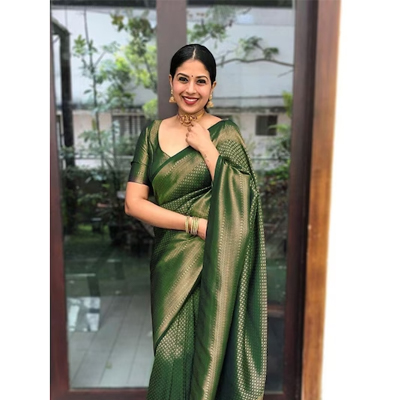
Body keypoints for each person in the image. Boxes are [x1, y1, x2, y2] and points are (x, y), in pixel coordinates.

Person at [125, 43, 267, 400]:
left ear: (212, 87)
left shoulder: (225, 134)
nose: (191, 89)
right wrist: (193, 224)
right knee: (169, 356)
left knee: (208, 353)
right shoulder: (152, 134)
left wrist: (207, 149)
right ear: (170, 82)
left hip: (215, 263)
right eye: (183, 79)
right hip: (171, 260)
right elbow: (133, 203)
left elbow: (244, 199)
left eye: (201, 81)